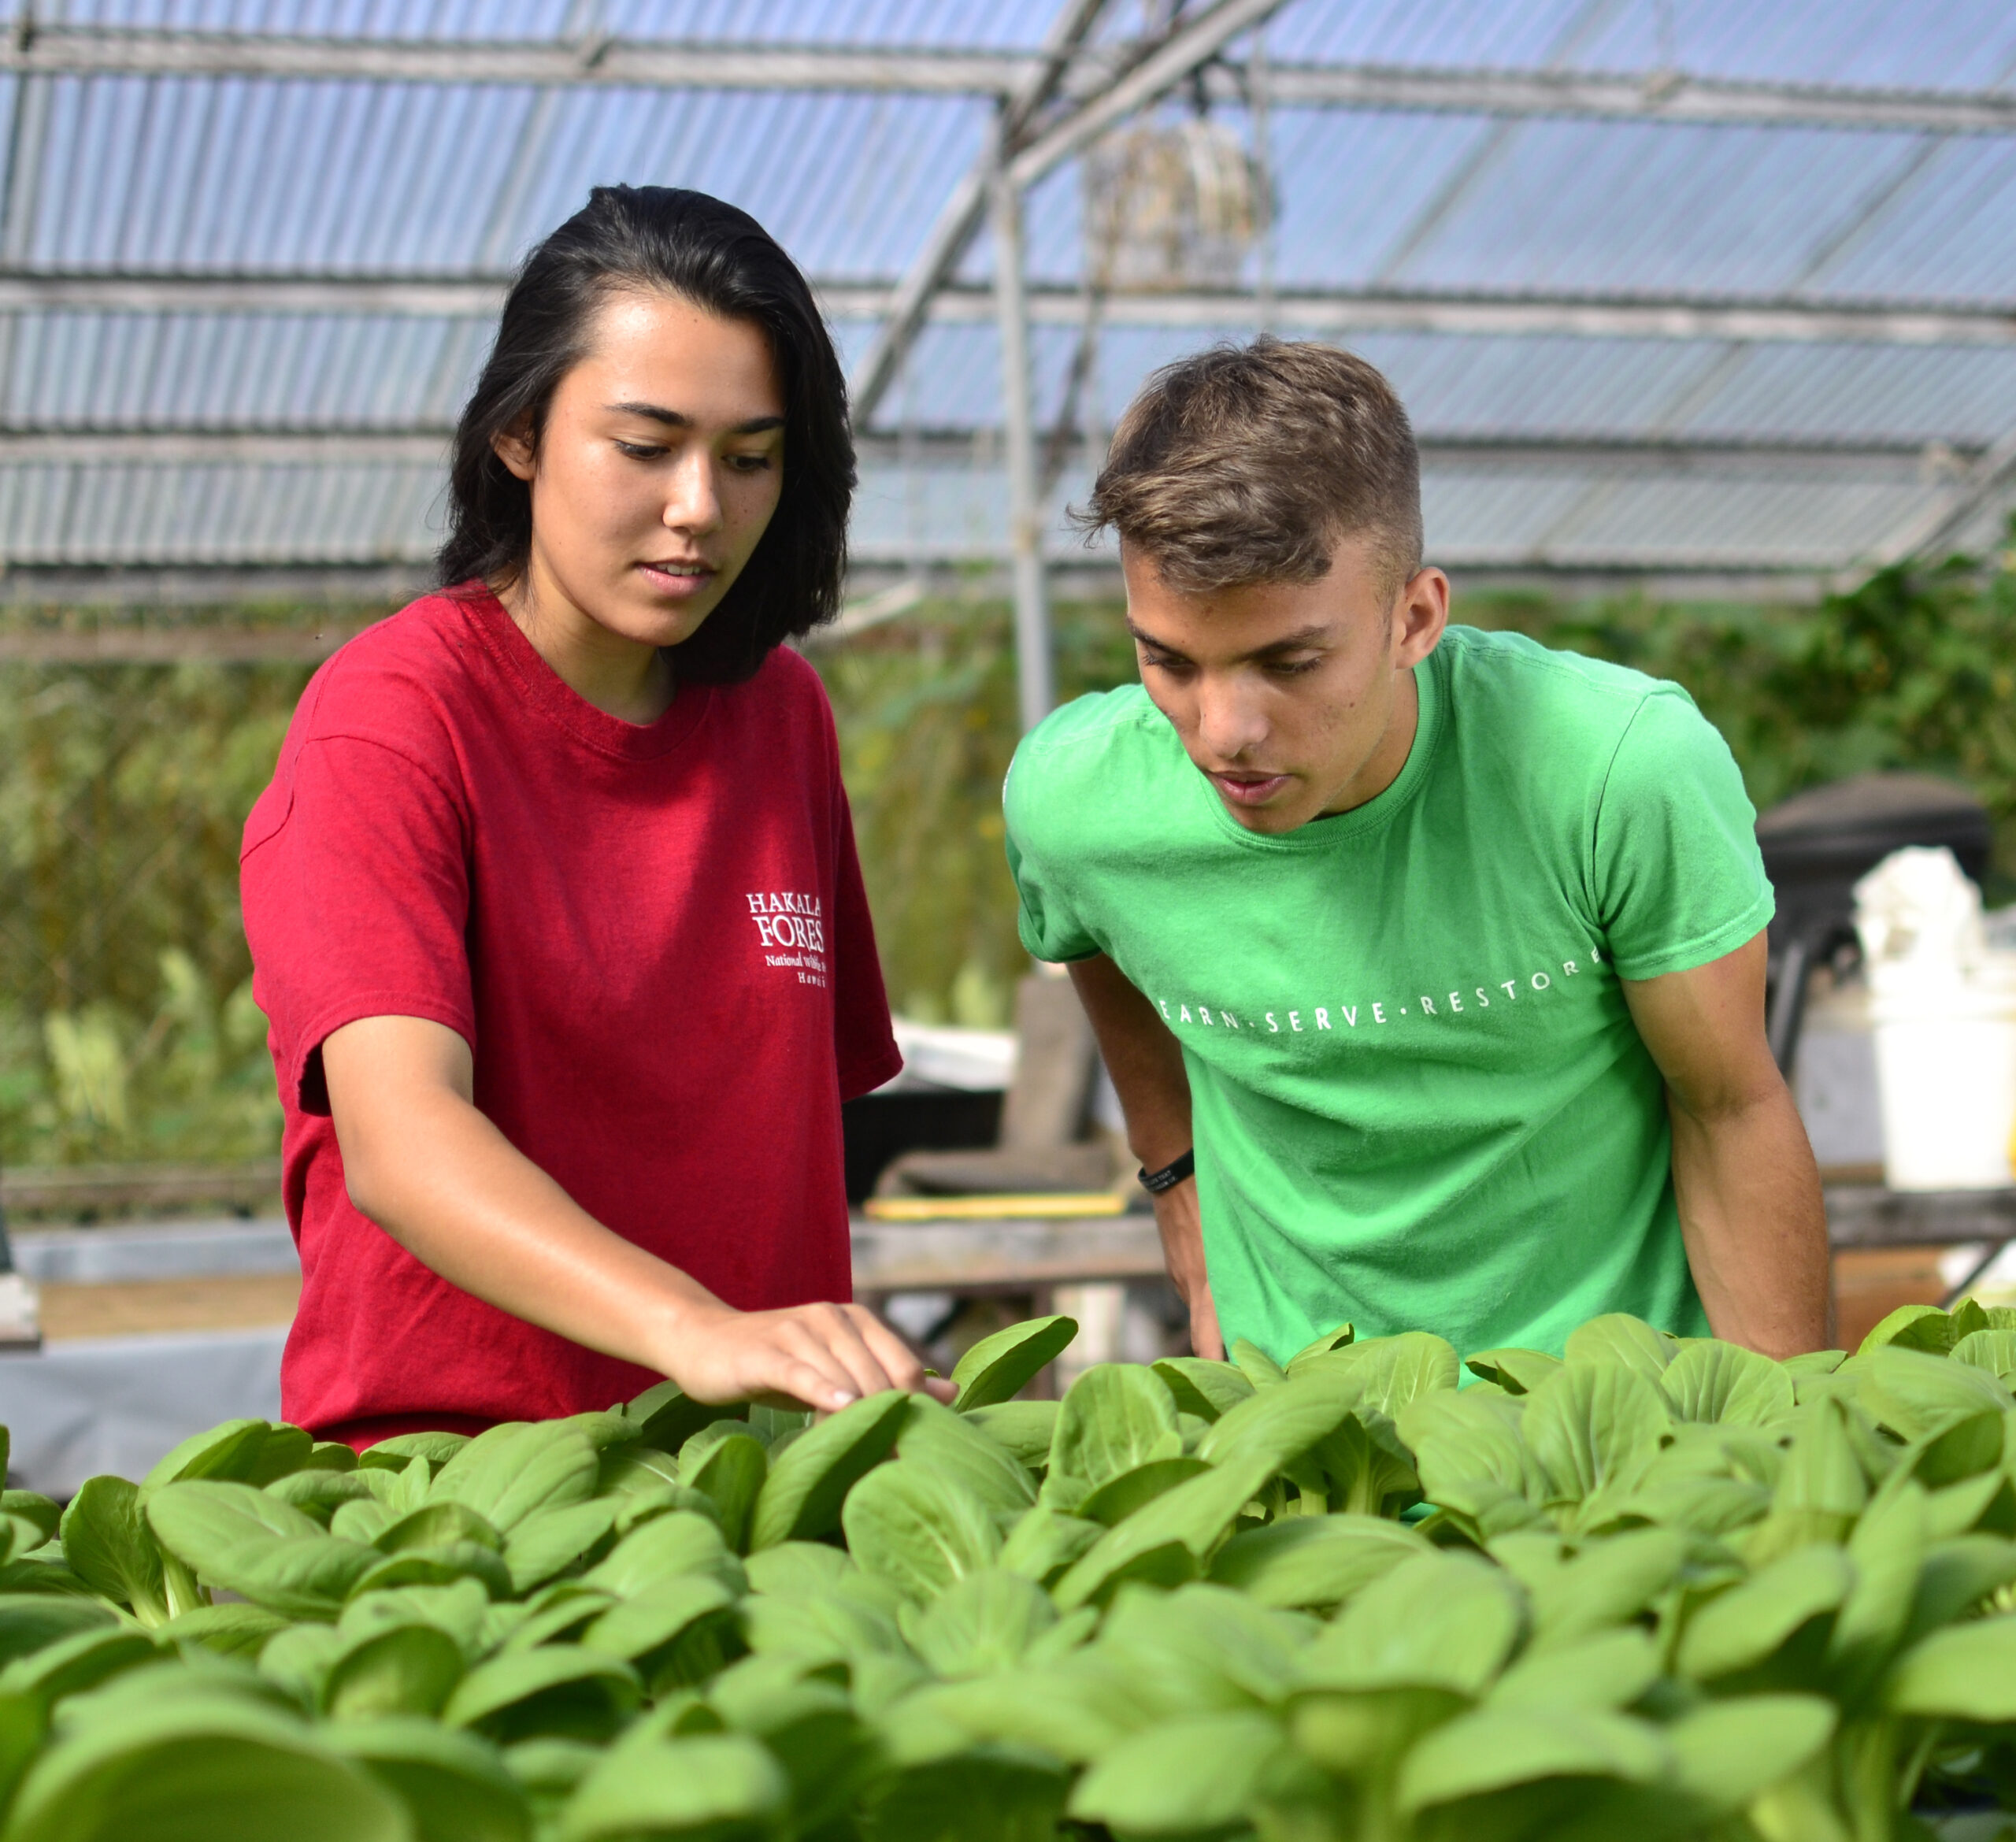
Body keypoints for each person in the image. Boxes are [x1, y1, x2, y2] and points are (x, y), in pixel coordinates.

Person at [241, 186, 947, 1448]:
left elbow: (777, 1138)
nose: (699, 508)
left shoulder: (781, 714)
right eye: (644, 445)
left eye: (749, 459)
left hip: (758, 1469)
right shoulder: (392, 719)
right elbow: (402, 1143)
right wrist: (696, 1330)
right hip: (466, 1479)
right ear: (519, 434)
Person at [1004, 339, 1830, 1365]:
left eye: (1290, 661)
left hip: (1623, 1427)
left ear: (1416, 616)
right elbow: (1089, 931)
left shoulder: (1617, 769)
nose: (1223, 731)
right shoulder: (1075, 802)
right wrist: (1175, 1179)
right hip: (1305, 1438)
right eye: (1169, 661)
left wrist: (1790, 1442)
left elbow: (1730, 1107)